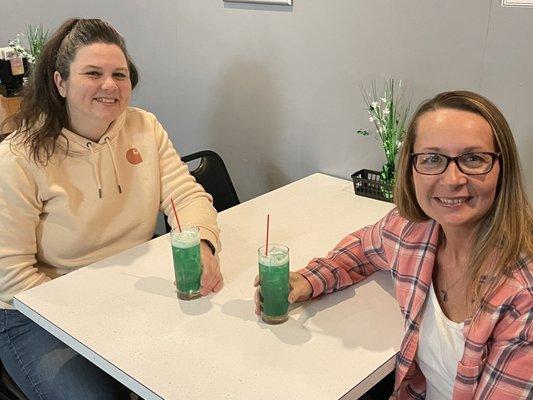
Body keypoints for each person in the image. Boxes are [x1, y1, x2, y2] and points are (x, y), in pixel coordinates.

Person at [255, 91, 532, 399]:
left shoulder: (523, 296)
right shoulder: (415, 231)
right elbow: (362, 248)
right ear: (411, 170)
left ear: (502, 169)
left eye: (473, 159)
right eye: (432, 159)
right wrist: (307, 279)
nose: (452, 179)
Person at [0, 18, 223, 399]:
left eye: (119, 74)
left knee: (203, 368)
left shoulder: (144, 127)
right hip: (32, 313)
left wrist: (202, 244)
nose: (110, 85)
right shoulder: (18, 157)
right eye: (93, 73)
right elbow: (11, 275)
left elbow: (185, 197)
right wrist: (95, 319)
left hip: (124, 295)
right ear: (60, 83)